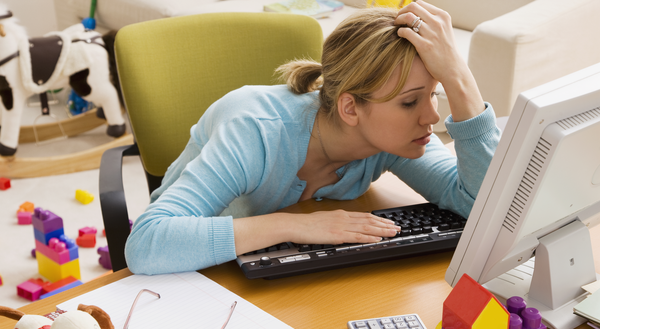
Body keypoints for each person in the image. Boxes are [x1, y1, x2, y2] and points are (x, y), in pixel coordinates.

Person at [125, 2, 500, 276]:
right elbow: (147, 243)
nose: (433, 117)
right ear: (350, 108)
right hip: (199, 272)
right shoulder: (255, 130)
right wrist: (293, 225)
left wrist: (460, 79)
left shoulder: (391, 141)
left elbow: (484, 206)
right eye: (409, 102)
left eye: (433, 93)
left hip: (278, 275)